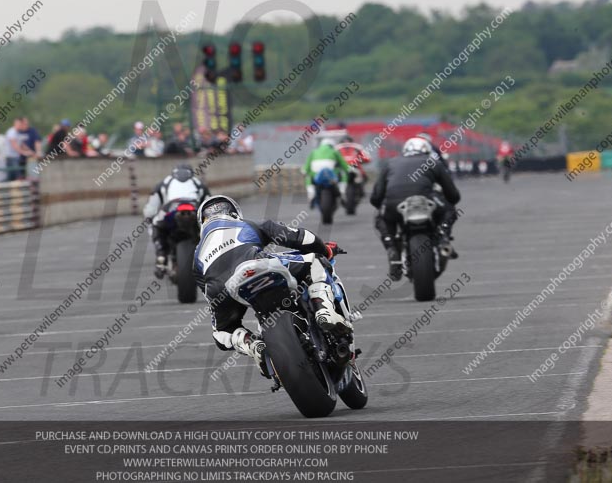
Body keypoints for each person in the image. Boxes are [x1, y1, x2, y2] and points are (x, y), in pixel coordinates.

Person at [193, 195, 351, 374]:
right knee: (315, 261)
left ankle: (252, 344)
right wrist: (325, 249)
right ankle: (324, 310)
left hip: (221, 287)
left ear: (202, 222)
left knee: (222, 332)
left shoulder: (197, 253)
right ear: (234, 212)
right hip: (255, 263)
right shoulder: (247, 224)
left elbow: (207, 291)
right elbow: (301, 238)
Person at [370, 137, 461, 280]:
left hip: (395, 203)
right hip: (427, 199)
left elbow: (376, 198)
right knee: (449, 210)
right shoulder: (433, 162)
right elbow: (453, 195)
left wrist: (382, 205)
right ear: (426, 150)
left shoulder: (390, 163)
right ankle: (443, 237)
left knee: (381, 218)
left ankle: (392, 248)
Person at [143, 164, 210, 278]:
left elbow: (151, 209)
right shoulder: (198, 183)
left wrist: (149, 217)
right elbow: (208, 203)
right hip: (195, 208)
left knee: (155, 225)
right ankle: (209, 256)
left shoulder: (164, 183)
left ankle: (161, 257)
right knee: (209, 226)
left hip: (171, 209)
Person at [302, 138, 351, 208]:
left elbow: (306, 167)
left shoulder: (313, 152)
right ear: (331, 145)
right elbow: (343, 164)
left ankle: (311, 194)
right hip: (331, 174)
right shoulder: (335, 151)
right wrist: (348, 170)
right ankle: (342, 192)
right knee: (343, 174)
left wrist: (304, 172)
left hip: (315, 174)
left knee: (308, 177)